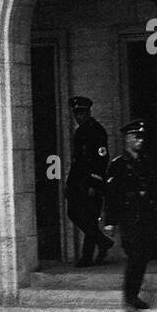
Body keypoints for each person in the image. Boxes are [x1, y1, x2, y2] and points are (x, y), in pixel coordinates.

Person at [103, 119, 157, 312]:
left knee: (143, 257)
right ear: (127, 138)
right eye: (136, 137)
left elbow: (154, 187)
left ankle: (134, 295)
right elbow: (111, 195)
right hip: (128, 218)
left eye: (142, 137)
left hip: (146, 216)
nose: (140, 140)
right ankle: (129, 299)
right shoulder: (118, 164)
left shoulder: (146, 160)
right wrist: (110, 221)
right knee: (135, 256)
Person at [65, 96, 113, 266]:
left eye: (82, 113)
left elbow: (102, 158)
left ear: (89, 112)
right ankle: (103, 242)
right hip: (78, 182)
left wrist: (94, 183)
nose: (79, 117)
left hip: (91, 182)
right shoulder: (80, 131)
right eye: (76, 113)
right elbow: (78, 161)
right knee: (74, 213)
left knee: (90, 218)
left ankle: (87, 256)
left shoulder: (96, 130)